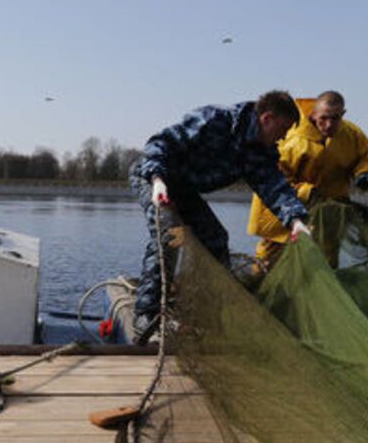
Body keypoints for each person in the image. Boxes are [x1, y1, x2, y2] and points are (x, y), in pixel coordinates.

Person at [128, 90, 310, 331]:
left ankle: (202, 313)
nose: (284, 136)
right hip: (153, 177)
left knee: (215, 239)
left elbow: (275, 189)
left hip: (184, 188)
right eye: (283, 128)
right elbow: (160, 144)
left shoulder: (259, 152)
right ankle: (146, 314)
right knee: (169, 234)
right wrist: (157, 179)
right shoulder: (215, 119)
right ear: (266, 119)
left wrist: (296, 221)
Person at [247, 91, 368, 269]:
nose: (329, 125)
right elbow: (272, 179)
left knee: (324, 265)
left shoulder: (351, 134)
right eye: (324, 118)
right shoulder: (291, 135)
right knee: (270, 261)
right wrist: (307, 192)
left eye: (335, 118)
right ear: (313, 114)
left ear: (343, 114)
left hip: (329, 216)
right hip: (285, 213)